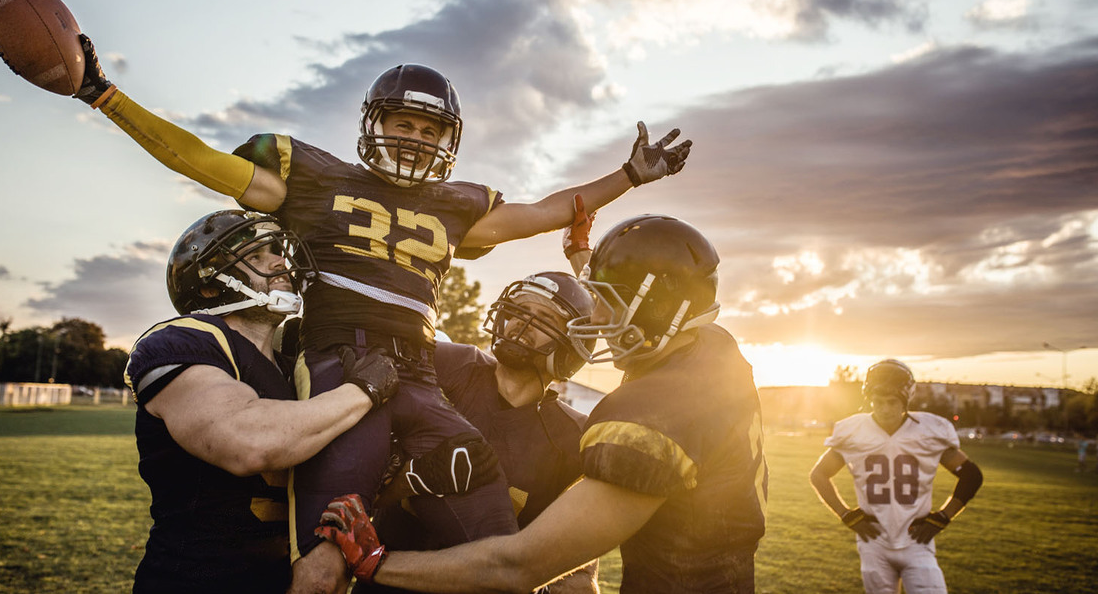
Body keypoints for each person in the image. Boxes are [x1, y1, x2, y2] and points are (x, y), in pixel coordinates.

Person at [51, 31, 691, 583]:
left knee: (491, 523)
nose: (415, 140)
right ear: (373, 124)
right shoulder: (311, 177)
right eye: (403, 125)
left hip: (419, 374)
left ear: (450, 140)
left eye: (429, 129)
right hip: (340, 363)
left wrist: (629, 175)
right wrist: (105, 95)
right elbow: (200, 159)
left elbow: (550, 209)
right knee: (326, 561)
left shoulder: (458, 207)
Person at [312, 214, 770, 594]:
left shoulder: (643, 415)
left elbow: (521, 567)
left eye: (611, 305)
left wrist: (375, 561)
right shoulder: (712, 347)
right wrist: (585, 261)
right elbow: (658, 309)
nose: (599, 320)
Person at [122, 209, 397, 593]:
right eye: (255, 256)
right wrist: (363, 390)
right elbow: (249, 441)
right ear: (208, 287)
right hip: (193, 580)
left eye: (275, 250)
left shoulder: (293, 364)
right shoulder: (187, 338)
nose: (280, 261)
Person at [359, 270, 601, 594]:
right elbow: (357, 480)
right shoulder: (443, 365)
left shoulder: (574, 439)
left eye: (544, 318)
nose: (522, 324)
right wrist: (412, 479)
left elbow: (581, 574)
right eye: (519, 311)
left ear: (572, 346)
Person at [809, 359, 985, 594]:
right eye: (878, 402)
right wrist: (845, 514)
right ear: (869, 399)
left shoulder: (928, 431)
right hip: (874, 539)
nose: (885, 409)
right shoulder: (854, 432)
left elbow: (971, 476)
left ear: (905, 400)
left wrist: (943, 517)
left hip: (917, 538)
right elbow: (819, 474)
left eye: (892, 402)